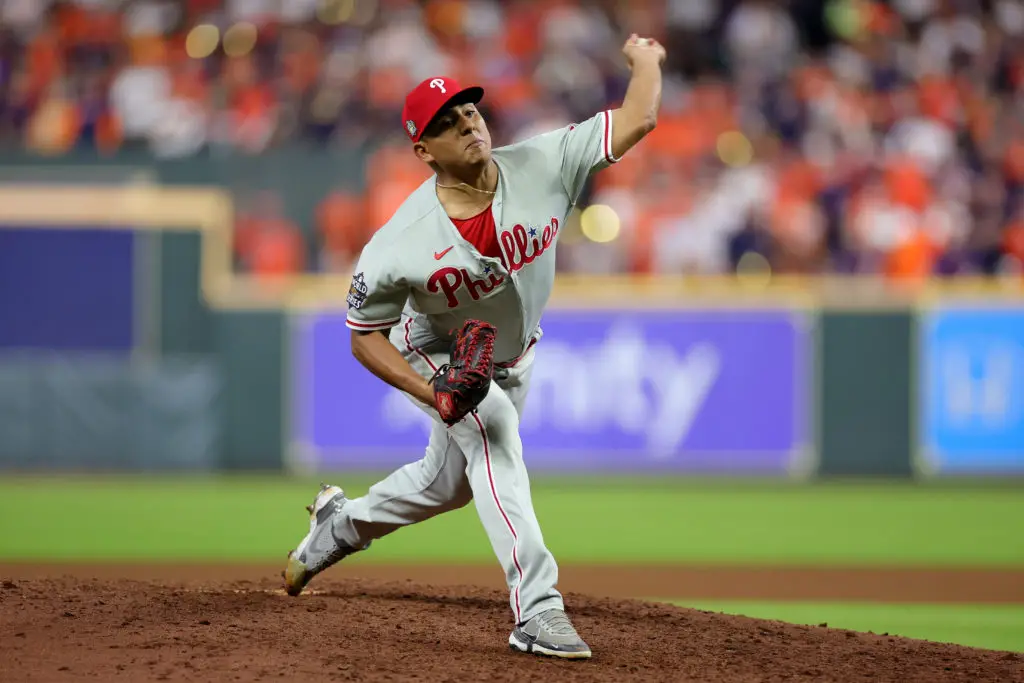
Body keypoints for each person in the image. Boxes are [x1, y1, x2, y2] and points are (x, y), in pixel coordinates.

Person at [283, 34, 666, 659]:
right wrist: (430, 389)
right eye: (446, 123)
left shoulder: (544, 163)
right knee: (491, 428)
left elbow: (638, 117)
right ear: (422, 150)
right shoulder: (399, 241)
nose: (466, 124)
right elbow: (362, 336)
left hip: (514, 357)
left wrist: (646, 59)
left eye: (468, 111)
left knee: (448, 485)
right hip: (431, 347)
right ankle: (537, 609)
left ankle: (341, 523)